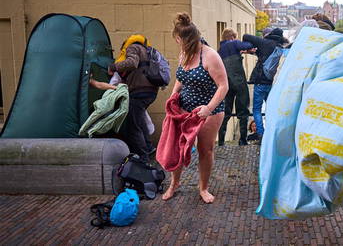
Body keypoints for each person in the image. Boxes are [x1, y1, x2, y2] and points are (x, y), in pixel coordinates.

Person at [162, 13, 229, 203]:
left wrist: (208, 108)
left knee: (204, 149)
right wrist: (174, 97)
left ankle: (203, 188)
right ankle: (174, 184)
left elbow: (224, 86)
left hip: (209, 111)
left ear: (182, 39)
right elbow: (180, 78)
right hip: (184, 110)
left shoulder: (210, 56)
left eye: (178, 41)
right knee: (178, 146)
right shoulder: (185, 53)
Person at [108, 35, 159, 162]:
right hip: (150, 91)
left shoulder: (132, 48)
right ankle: (149, 147)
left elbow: (132, 63)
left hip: (139, 91)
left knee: (133, 127)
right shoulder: (147, 50)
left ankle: (143, 158)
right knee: (140, 120)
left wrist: (113, 67)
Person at [242, 28, 288, 141]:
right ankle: (271, 133)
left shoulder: (265, 42)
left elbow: (246, 36)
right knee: (271, 108)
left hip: (260, 81)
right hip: (273, 83)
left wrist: (249, 46)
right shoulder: (282, 47)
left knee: (257, 109)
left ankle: (261, 134)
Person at [217, 28, 254, 146]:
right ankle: (243, 140)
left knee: (225, 112)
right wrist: (243, 45)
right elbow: (248, 44)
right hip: (239, 82)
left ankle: (221, 142)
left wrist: (241, 52)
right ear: (232, 37)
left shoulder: (220, 50)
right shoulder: (234, 43)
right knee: (243, 111)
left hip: (226, 84)